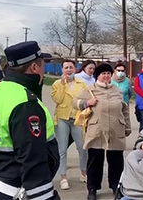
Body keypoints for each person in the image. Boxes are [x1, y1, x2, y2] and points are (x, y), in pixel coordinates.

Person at [0, 41, 60, 200]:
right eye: (43, 64)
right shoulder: (24, 102)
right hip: (15, 190)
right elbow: (32, 159)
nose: (43, 69)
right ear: (35, 68)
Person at [72, 63, 131, 200]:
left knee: (116, 160)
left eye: (108, 73)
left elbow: (125, 109)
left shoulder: (117, 90)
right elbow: (75, 102)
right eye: (103, 73)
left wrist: (127, 126)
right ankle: (92, 188)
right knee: (95, 160)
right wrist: (87, 103)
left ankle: (116, 186)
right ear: (97, 75)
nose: (106, 76)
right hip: (96, 129)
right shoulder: (90, 89)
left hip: (115, 129)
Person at [51, 59, 88, 190]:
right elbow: (57, 99)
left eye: (71, 67)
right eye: (66, 68)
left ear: (75, 69)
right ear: (62, 70)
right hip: (62, 118)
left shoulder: (81, 83)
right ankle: (63, 177)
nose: (68, 70)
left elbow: (85, 99)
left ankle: (84, 173)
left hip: (77, 118)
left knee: (82, 148)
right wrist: (62, 83)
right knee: (62, 150)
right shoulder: (56, 83)